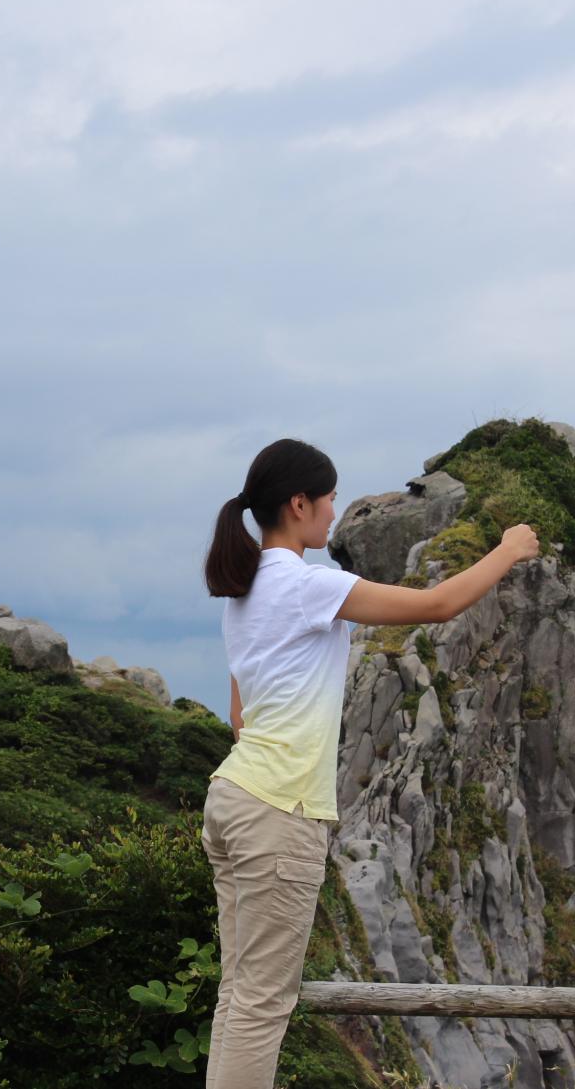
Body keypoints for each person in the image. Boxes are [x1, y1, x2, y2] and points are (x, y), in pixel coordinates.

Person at [198, 437, 539, 1088]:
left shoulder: (240, 595)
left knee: (240, 993)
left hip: (233, 798)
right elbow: (436, 607)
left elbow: (241, 719)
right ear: (297, 504)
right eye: (326, 498)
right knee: (263, 1002)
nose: (333, 511)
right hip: (279, 810)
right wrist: (507, 550)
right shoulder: (304, 585)